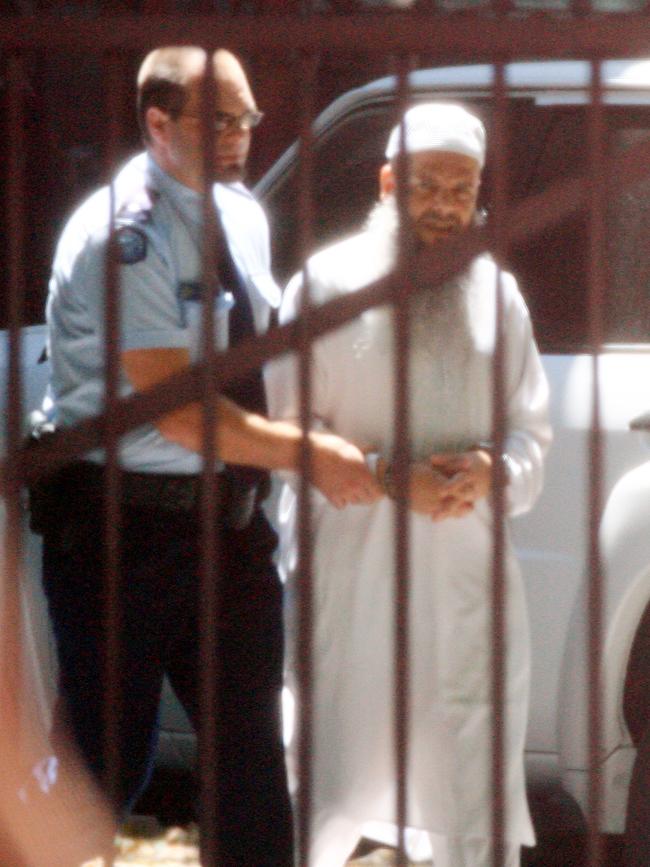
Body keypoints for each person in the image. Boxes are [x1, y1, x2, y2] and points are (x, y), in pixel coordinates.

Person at [35, 45, 381, 867]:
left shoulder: (240, 215)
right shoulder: (125, 234)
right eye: (219, 120)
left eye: (249, 117)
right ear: (158, 126)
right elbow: (176, 406)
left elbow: (251, 358)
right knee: (105, 760)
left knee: (253, 764)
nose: (242, 137)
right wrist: (309, 452)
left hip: (225, 533)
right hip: (121, 532)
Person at [267, 103, 552, 867]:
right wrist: (394, 479)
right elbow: (287, 440)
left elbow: (532, 434)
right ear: (389, 182)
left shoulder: (498, 297)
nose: (445, 206)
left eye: (462, 191)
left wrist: (495, 471)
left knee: (467, 798)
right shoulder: (323, 287)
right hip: (352, 589)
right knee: (336, 795)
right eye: (428, 186)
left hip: (466, 595)